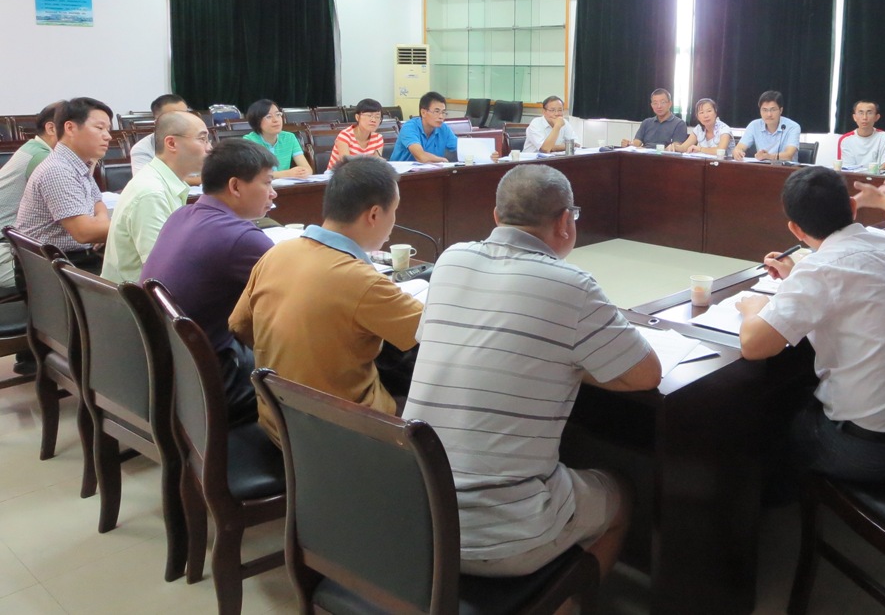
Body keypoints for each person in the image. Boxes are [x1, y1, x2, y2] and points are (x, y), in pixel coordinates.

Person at [403, 165, 661, 578]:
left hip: (417, 512)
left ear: (496, 216)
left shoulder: (451, 260)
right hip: (503, 535)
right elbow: (645, 374)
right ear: (565, 222)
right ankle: (565, 601)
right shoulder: (573, 285)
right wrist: (566, 359)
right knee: (621, 493)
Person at [736, 167, 885, 483]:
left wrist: (755, 308)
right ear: (852, 206)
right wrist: (795, 276)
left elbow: (753, 345)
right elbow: (850, 289)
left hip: (870, 453)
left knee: (773, 410)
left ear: (795, 229)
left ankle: (774, 499)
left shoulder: (820, 270)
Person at [229, 156, 423, 442]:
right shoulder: (363, 281)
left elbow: (239, 326)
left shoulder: (276, 253)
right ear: (374, 215)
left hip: (275, 420)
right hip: (338, 436)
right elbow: (433, 335)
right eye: (394, 211)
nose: (394, 222)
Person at [141, 139, 278, 424]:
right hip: (207, 383)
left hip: (160, 369)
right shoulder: (242, 238)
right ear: (235, 186)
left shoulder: (181, 214)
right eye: (267, 182)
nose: (273, 192)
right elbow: (299, 293)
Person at [101, 111, 211, 283]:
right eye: (202, 139)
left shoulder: (162, 180)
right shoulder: (151, 193)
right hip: (136, 297)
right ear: (172, 143)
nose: (209, 147)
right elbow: (161, 271)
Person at [13, 97, 114, 274]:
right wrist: (134, 225)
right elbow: (84, 233)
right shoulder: (57, 170)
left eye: (108, 129)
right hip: (52, 269)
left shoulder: (77, 163)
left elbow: (98, 202)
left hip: (72, 260)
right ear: (70, 128)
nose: (108, 136)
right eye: (100, 128)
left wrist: (101, 223)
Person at [0, 100, 60, 289]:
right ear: (51, 128)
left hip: (13, 242)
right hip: (5, 250)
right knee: (70, 277)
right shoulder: (43, 158)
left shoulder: (34, 148)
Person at [129, 94, 197, 187]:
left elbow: (213, 174)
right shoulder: (142, 148)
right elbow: (144, 182)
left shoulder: (199, 141)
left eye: (186, 115)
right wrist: (198, 180)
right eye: (175, 117)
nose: (183, 121)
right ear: (157, 122)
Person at [244, 99, 312, 178]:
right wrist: (287, 173)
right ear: (256, 121)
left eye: (278, 114)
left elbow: (307, 169)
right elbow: (252, 174)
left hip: (285, 185)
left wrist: (303, 172)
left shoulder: (289, 138)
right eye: (269, 117)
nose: (276, 120)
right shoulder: (249, 142)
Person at [732, 91, 800, 162]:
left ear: (781, 110)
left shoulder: (793, 127)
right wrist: (737, 152)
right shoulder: (754, 125)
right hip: (762, 167)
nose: (769, 114)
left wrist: (768, 156)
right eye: (764, 110)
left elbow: (788, 156)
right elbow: (738, 148)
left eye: (773, 110)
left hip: (786, 168)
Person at [392, 91, 457, 163]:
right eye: (436, 111)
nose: (441, 116)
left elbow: (460, 148)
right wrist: (443, 160)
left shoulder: (443, 128)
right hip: (402, 170)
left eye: (443, 112)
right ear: (423, 113)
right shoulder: (409, 127)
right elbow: (421, 157)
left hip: (432, 169)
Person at [837, 100, 885, 169]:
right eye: (861, 113)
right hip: (853, 175)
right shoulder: (846, 140)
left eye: (869, 113)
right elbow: (847, 168)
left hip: (878, 175)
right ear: (854, 117)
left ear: (877, 117)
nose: (864, 117)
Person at [621, 88, 687, 148]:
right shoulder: (646, 122)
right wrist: (628, 144)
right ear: (651, 105)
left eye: (663, 102)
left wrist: (647, 150)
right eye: (655, 103)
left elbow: (675, 148)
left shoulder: (679, 124)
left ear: (670, 104)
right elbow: (636, 143)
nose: (659, 106)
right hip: (644, 156)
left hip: (665, 156)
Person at [329, 97, 385, 168]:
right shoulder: (345, 135)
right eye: (369, 115)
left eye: (377, 116)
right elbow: (346, 165)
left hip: (363, 173)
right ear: (357, 117)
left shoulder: (378, 138)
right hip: (339, 173)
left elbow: (377, 163)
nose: (373, 120)